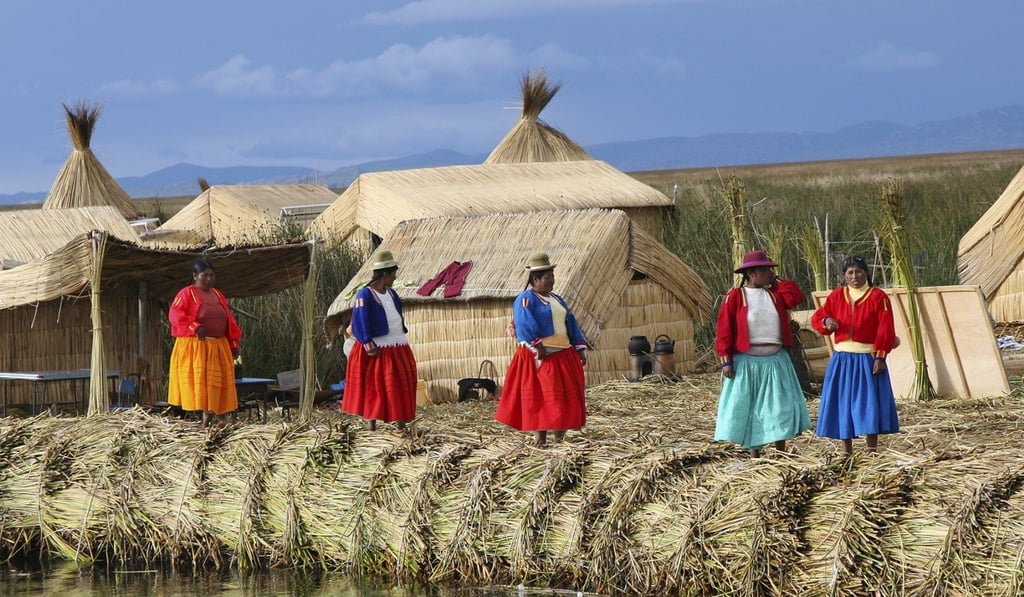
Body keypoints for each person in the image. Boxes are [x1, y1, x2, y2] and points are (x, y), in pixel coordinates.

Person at [714, 250, 811, 457]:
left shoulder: (774, 295)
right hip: (748, 362)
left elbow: (796, 296)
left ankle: (781, 453)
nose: (769, 273)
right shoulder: (735, 297)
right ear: (751, 273)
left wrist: (776, 280)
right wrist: (726, 361)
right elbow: (724, 330)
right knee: (752, 409)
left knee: (780, 408)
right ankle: (755, 455)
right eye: (764, 269)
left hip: (776, 361)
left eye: (770, 270)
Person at [495, 252, 588, 446]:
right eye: (548, 278)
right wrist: (538, 346)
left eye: (552, 277)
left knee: (561, 399)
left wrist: (579, 348)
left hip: (562, 353)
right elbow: (525, 323)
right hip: (541, 356)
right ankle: (540, 440)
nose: (552, 281)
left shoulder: (557, 299)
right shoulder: (526, 299)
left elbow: (570, 322)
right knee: (544, 399)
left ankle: (559, 439)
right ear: (535, 280)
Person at [811, 255, 900, 455]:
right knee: (843, 402)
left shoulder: (878, 297)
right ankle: (846, 451)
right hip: (842, 359)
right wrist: (826, 322)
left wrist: (880, 356)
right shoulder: (836, 296)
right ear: (844, 276)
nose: (854, 276)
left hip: (867, 358)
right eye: (850, 272)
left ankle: (871, 450)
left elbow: (885, 329)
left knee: (868, 403)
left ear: (866, 272)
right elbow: (818, 317)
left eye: (858, 271)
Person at [342, 250, 417, 431]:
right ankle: (371, 426)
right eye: (393, 274)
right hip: (377, 348)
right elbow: (359, 320)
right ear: (385, 274)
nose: (394, 277)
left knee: (400, 385)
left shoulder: (392, 294)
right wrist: (367, 343)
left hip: (397, 345)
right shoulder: (365, 295)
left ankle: (401, 424)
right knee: (375, 389)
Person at [167, 258, 242, 427]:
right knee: (204, 385)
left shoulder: (218, 294)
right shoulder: (186, 293)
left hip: (219, 346)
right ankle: (207, 418)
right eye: (204, 275)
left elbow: (228, 320)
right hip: (198, 347)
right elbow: (175, 315)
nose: (208, 279)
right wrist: (194, 327)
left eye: (211, 275)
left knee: (218, 383)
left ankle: (220, 418)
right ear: (195, 276)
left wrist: (234, 344)